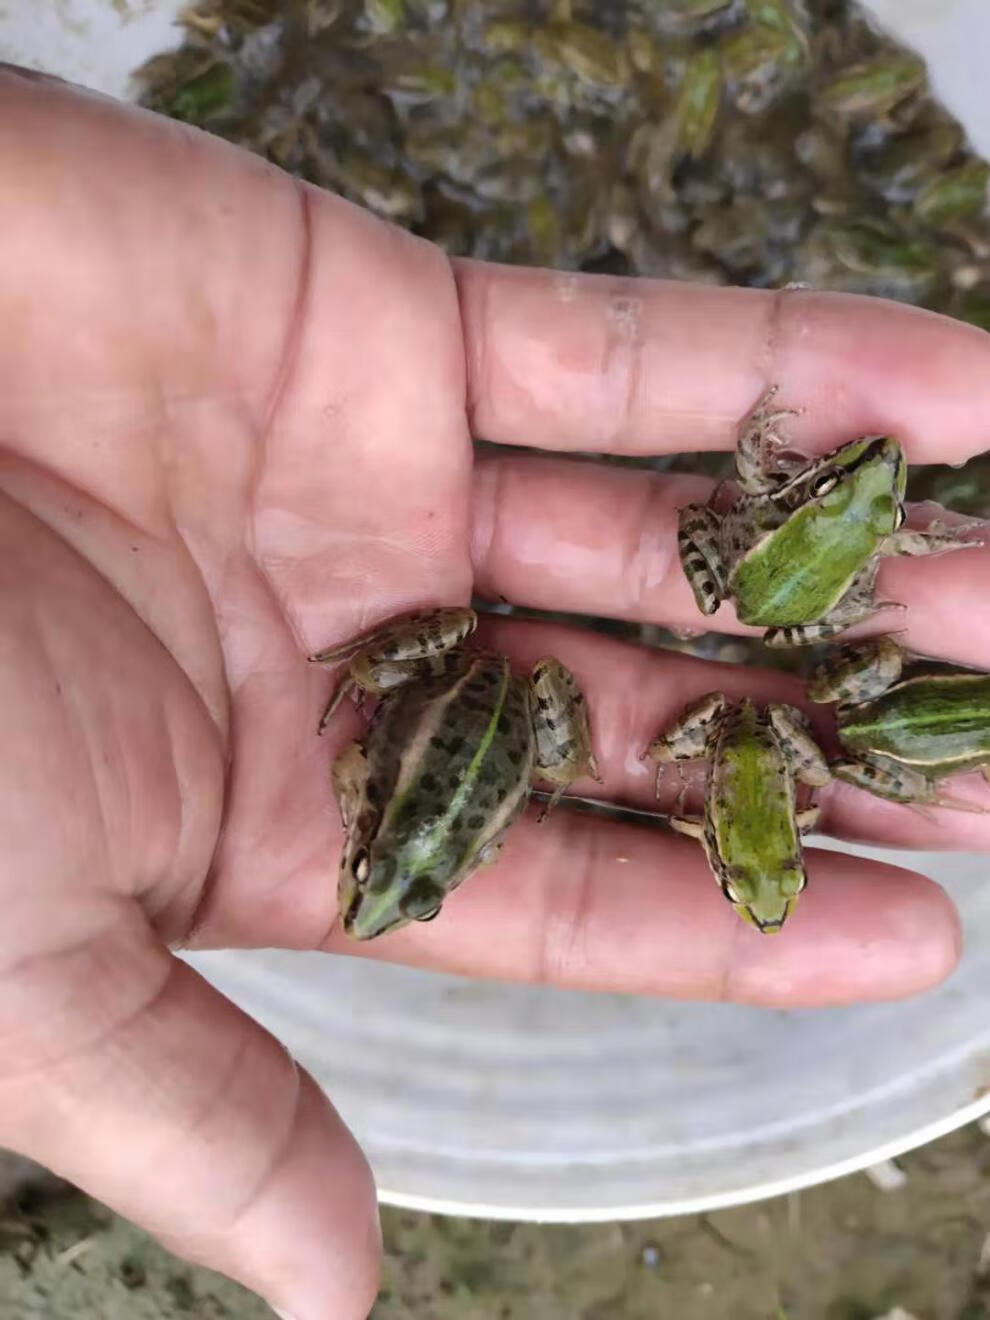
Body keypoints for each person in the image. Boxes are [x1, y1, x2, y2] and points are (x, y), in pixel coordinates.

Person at [0, 63, 987, 1320]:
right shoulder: (370, 808)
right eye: (403, 888)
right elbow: (367, 771)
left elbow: (374, 769)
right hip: (501, 688)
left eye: (386, 881)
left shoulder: (397, 818)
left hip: (525, 698)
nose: (376, 888)